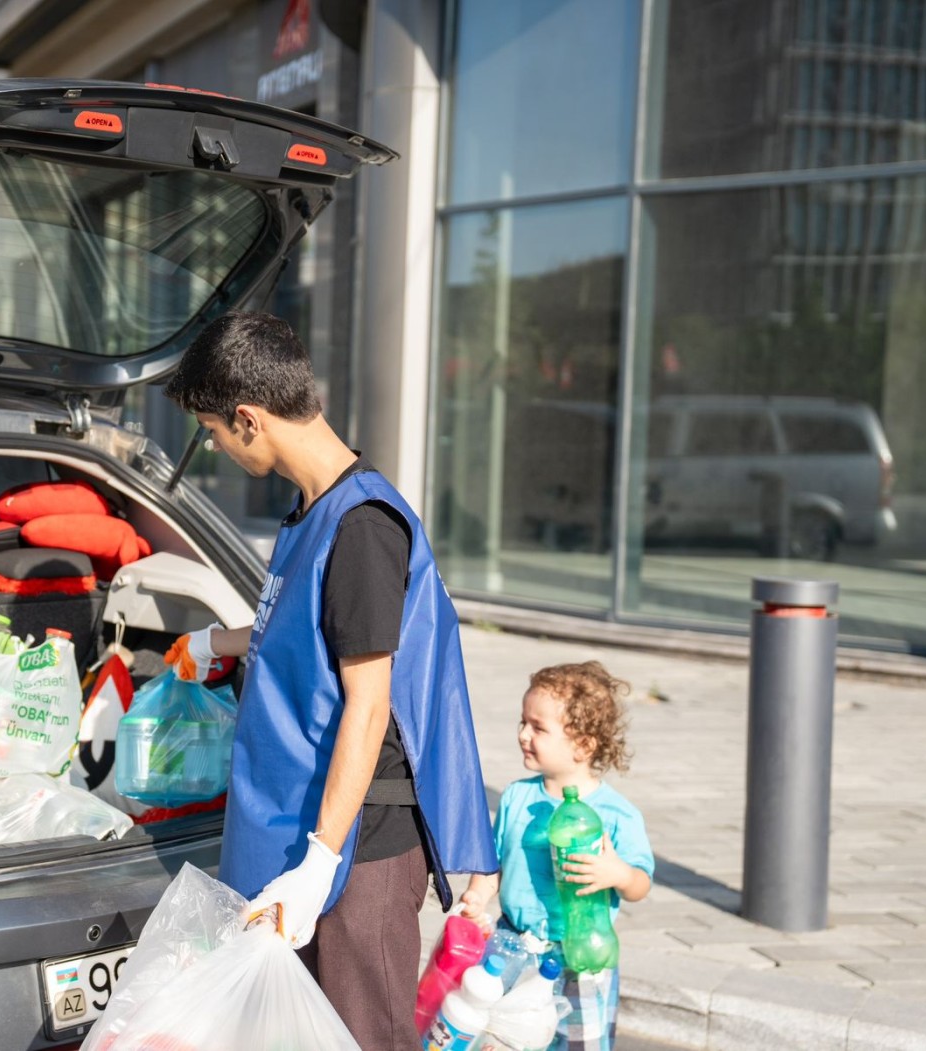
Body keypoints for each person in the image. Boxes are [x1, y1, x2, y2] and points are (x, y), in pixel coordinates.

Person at [161, 311, 496, 1050]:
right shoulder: (311, 514)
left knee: (364, 1036)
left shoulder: (362, 527)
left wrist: (318, 862)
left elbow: (370, 706)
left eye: (213, 429)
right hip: (309, 820)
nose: (214, 444)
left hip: (360, 845)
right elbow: (319, 633)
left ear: (249, 418)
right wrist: (219, 641)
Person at [459, 660, 654, 1051]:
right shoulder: (517, 797)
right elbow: (492, 863)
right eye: (522, 722)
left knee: (579, 1044)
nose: (523, 734)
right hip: (513, 944)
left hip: (581, 955)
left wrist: (618, 874)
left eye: (538, 727)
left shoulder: (616, 814)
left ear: (583, 744)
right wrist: (477, 897)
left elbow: (640, 884)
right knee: (499, 1038)